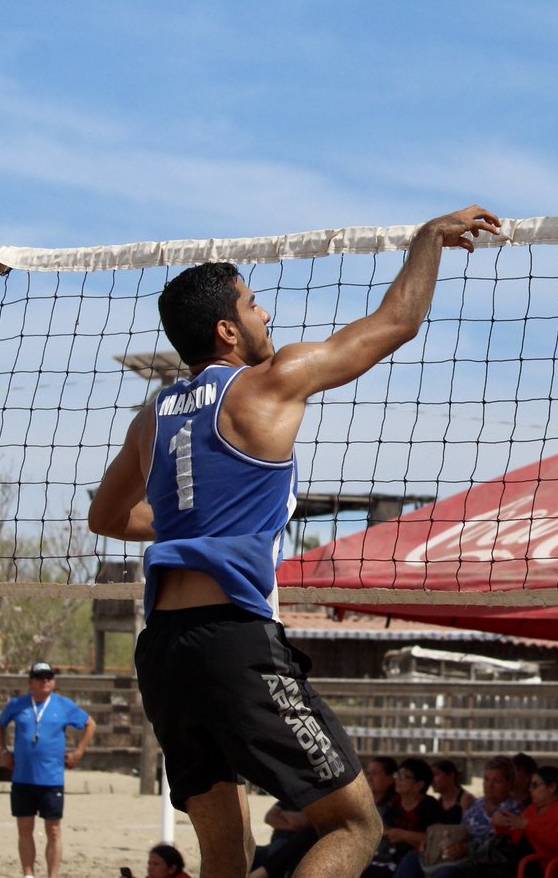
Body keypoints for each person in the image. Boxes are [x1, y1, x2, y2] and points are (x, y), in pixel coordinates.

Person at [87, 205, 502, 878]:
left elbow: (106, 516)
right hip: (232, 641)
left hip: (163, 650)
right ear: (227, 329)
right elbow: (397, 322)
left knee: (226, 858)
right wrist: (426, 239)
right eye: (254, 304)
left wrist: (190, 525)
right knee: (355, 823)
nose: (267, 316)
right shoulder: (269, 382)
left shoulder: (151, 417)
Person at [0, 662, 97, 878]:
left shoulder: (63, 705)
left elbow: (90, 724)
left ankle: (52, 875)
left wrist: (79, 751)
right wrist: (3, 750)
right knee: (24, 828)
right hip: (23, 778)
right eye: (40, 677)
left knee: (53, 830)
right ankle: (28, 874)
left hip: (51, 779)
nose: (45, 681)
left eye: (49, 677)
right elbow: (0, 723)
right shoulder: (17, 705)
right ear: (30, 681)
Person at [393, 755, 523, 878]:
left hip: (483, 864)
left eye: (497, 781)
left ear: (509, 784)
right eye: (487, 779)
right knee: (412, 859)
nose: (489, 785)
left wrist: (466, 849)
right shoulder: (477, 804)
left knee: (448, 873)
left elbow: (501, 849)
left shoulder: (514, 811)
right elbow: (462, 830)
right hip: (458, 856)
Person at [487, 765, 558, 877]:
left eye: (535, 785)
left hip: (545, 866)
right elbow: (515, 838)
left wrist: (528, 825)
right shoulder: (532, 809)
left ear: (552, 788)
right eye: (530, 785)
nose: (530, 790)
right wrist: (501, 823)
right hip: (521, 862)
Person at [368, 758, 442, 875]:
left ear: (419, 785)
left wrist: (402, 835)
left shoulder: (430, 806)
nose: (397, 780)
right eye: (398, 775)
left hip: (418, 863)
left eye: (404, 777)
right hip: (390, 857)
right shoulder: (393, 803)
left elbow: (435, 839)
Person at [430, 759, 475, 824]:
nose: (432, 780)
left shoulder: (466, 799)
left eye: (436, 775)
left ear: (451, 775)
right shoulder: (437, 804)